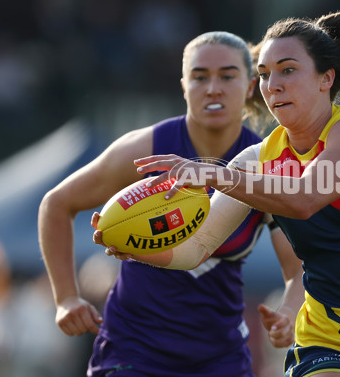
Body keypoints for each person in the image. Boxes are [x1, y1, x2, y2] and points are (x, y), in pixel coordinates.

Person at [96, 2, 340, 376]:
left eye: (287, 70)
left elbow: (305, 198)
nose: (272, 85)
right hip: (330, 337)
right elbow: (195, 248)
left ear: (325, 79)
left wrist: (214, 174)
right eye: (264, 74)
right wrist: (134, 245)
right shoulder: (255, 159)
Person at [38, 31, 304, 377]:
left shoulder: (265, 163)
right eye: (199, 77)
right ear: (183, 86)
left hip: (219, 356)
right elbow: (56, 204)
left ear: (251, 85)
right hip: (133, 346)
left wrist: (288, 310)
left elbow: (297, 268)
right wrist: (66, 299)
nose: (213, 88)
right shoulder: (143, 150)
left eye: (227, 75)